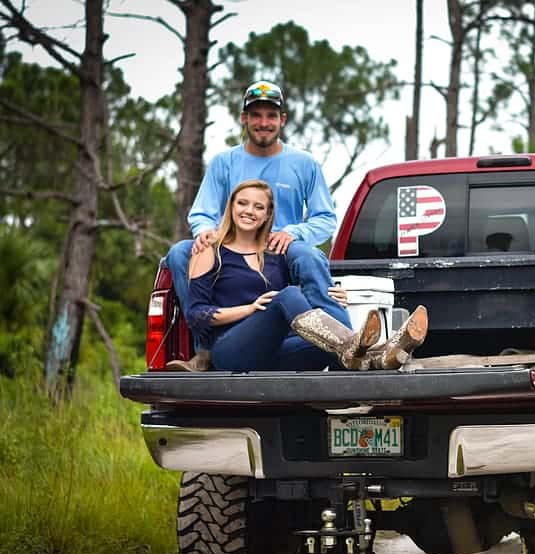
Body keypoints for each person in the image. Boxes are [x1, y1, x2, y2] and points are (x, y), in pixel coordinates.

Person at [166, 80, 343, 371]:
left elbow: (325, 219)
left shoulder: (304, 163)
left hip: (282, 249)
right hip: (234, 247)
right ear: (244, 118)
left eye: (271, 115)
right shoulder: (225, 162)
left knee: (309, 256)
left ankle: (347, 345)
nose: (264, 122)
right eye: (256, 115)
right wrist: (206, 234)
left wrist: (294, 233)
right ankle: (205, 350)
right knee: (180, 251)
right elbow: (201, 213)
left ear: (282, 120)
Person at [184, 179, 427, 372]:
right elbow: (195, 314)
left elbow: (297, 308)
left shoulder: (276, 255)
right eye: (242, 203)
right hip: (231, 351)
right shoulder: (210, 250)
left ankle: (377, 357)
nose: (249, 211)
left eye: (258, 207)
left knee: (326, 342)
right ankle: (362, 346)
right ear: (231, 207)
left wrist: (333, 297)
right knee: (287, 295)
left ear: (268, 215)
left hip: (276, 352)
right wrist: (250, 309)